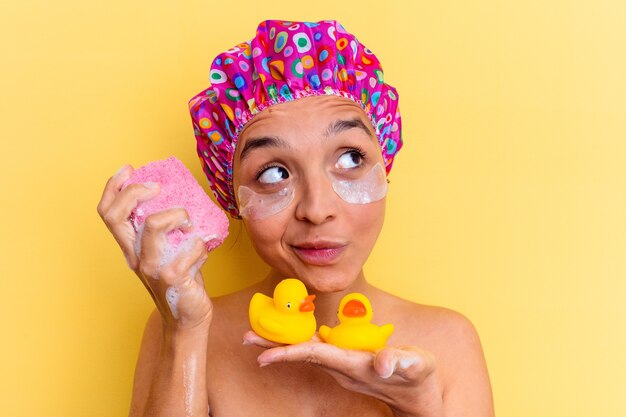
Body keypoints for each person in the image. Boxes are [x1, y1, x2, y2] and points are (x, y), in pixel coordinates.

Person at [97, 19, 494, 417]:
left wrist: (418, 404)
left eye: (351, 159)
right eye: (274, 174)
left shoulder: (448, 342)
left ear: (384, 165)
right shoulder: (181, 329)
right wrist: (183, 331)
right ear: (231, 195)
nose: (317, 209)